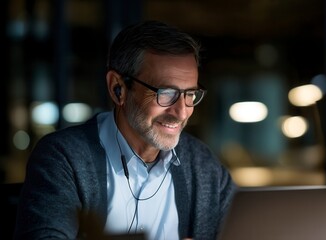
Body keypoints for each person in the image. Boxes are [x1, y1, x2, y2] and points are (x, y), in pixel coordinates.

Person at [14, 20, 236, 240]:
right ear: (117, 88)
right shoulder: (63, 158)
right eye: (166, 93)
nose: (181, 112)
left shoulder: (204, 166)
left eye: (190, 94)